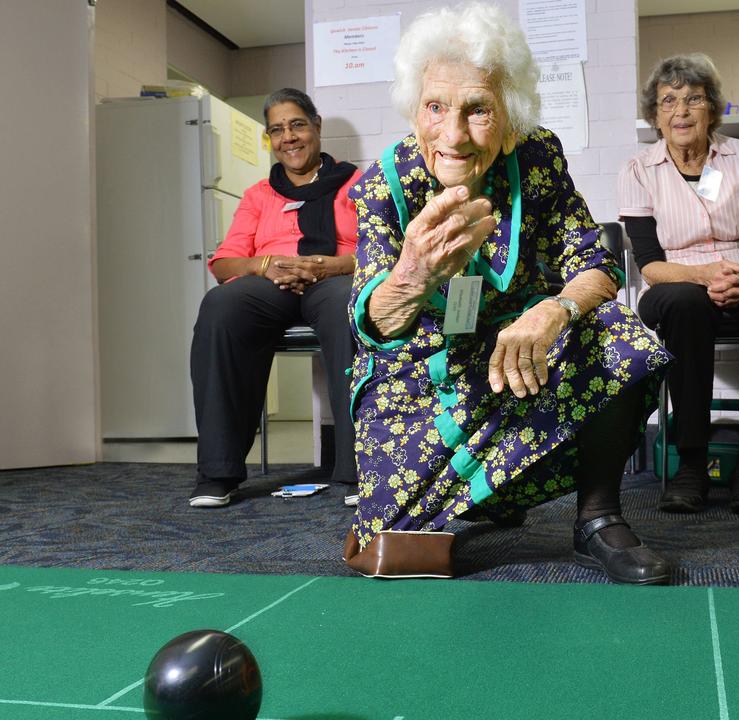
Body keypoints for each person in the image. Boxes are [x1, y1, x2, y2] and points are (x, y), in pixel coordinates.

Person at [342, 2, 674, 584]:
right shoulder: (382, 186)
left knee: (621, 339)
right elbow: (372, 324)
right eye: (435, 107)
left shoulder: (537, 156)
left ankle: (598, 518)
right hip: (417, 376)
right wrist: (412, 275)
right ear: (415, 108)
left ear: (512, 117)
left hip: (517, 352)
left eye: (478, 110)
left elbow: (594, 262)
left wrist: (554, 310)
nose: (453, 133)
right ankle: (492, 497)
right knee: (389, 547)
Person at [618, 54, 739, 515]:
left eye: (693, 99)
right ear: (655, 114)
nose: (681, 111)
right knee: (685, 305)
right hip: (675, 280)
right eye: (669, 101)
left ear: (713, 108)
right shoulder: (638, 171)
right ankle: (691, 463)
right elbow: (650, 265)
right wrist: (703, 276)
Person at [189, 88, 362, 508]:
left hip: (335, 276)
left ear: (316, 126)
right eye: (277, 129)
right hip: (272, 281)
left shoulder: (360, 183)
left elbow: (383, 251)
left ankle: (365, 469)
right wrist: (265, 264)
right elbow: (225, 263)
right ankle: (218, 472)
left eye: (297, 124)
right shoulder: (259, 195)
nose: (289, 137)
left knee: (350, 307)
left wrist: (327, 265)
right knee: (221, 307)